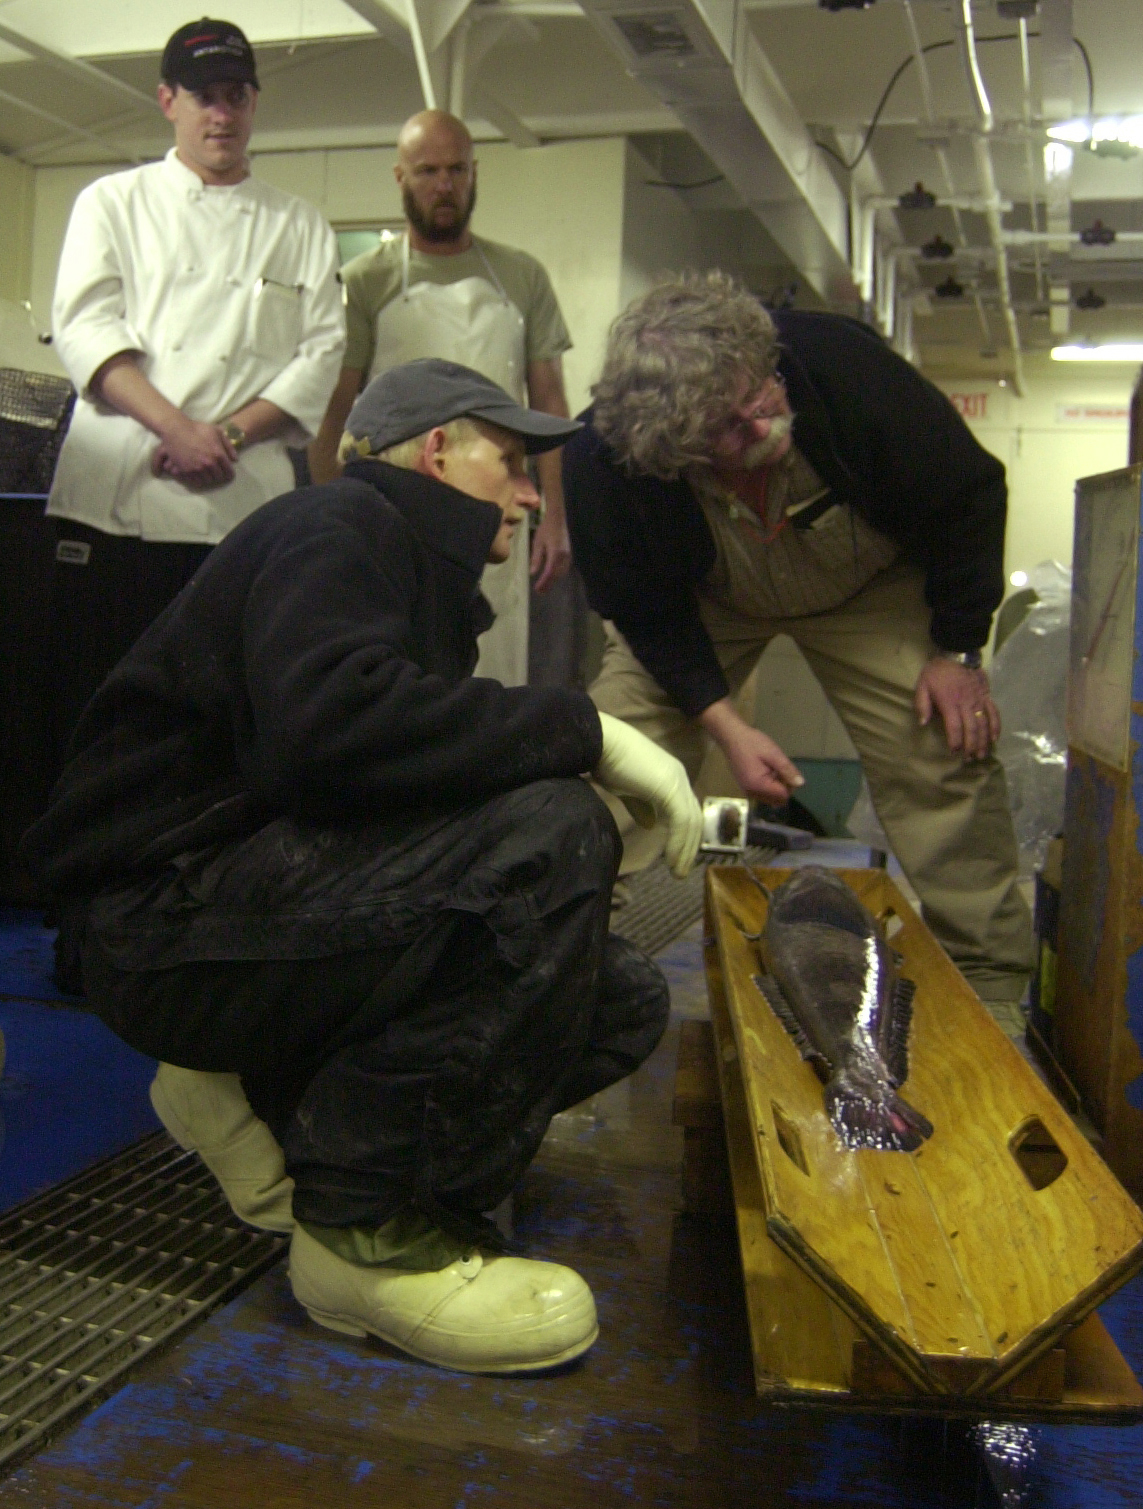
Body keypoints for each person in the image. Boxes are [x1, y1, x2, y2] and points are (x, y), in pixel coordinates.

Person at [22, 359, 701, 1375]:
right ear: (437, 451)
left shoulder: (405, 574)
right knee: (545, 836)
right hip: (159, 917)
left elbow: (367, 788)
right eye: (510, 461)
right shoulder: (338, 527)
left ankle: (246, 1097)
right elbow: (326, 733)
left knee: (612, 1001)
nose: (527, 492)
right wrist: (584, 733)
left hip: (224, 903)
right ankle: (367, 1240)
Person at [563, 272, 1034, 1008]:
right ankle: (565, 959)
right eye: (729, 427)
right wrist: (724, 723)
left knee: (941, 751)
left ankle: (995, 984)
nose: (763, 423)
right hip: (706, 601)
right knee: (615, 746)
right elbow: (645, 612)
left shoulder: (841, 370)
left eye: (761, 394)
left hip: (869, 588)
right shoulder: (606, 461)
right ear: (673, 450)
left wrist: (956, 652)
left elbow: (967, 494)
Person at [46, 17, 345, 759]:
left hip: (242, 512)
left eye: (236, 95)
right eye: (203, 96)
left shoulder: (300, 224)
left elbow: (321, 355)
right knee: (95, 710)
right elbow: (86, 329)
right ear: (166, 101)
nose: (221, 113)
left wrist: (229, 436)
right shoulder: (111, 202)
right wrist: (179, 432)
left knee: (223, 716)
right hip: (119, 507)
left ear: (252, 104)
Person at [308, 109, 574, 688]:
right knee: (402, 661)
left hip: (494, 503)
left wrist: (555, 514)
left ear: (475, 173)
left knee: (494, 670)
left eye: (456, 169)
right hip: (396, 508)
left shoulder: (522, 276)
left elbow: (550, 401)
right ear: (400, 178)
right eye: (427, 170)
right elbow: (335, 408)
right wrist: (326, 510)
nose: (444, 185)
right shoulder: (364, 281)